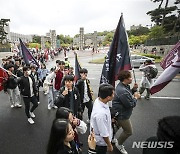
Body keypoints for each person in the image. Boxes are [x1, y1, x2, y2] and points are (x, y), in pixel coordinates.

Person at [112, 70, 140, 154]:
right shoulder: (122, 91)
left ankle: (111, 137)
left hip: (120, 113)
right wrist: (136, 97)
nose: (131, 79)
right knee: (128, 131)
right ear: (125, 79)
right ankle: (119, 144)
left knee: (117, 126)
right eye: (130, 77)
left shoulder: (124, 86)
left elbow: (129, 94)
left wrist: (134, 89)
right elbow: (130, 104)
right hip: (122, 115)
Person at [90, 83, 115, 154]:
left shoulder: (99, 100)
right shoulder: (101, 114)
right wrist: (109, 145)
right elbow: (104, 133)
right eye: (113, 94)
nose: (114, 95)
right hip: (101, 143)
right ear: (108, 97)